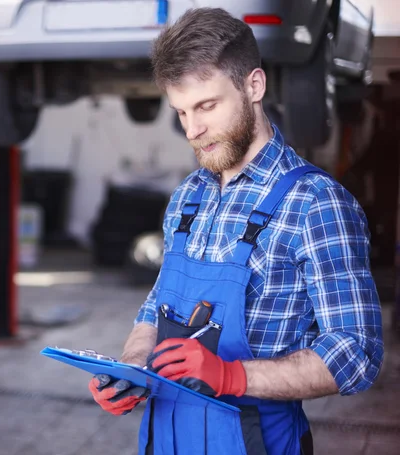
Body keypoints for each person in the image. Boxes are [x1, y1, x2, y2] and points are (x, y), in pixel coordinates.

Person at [88, 7, 384, 455]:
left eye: (207, 106)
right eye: (182, 112)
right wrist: (131, 369)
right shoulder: (188, 197)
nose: (194, 129)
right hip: (164, 441)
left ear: (254, 86)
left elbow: (356, 353)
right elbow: (157, 306)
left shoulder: (315, 204)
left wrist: (232, 376)